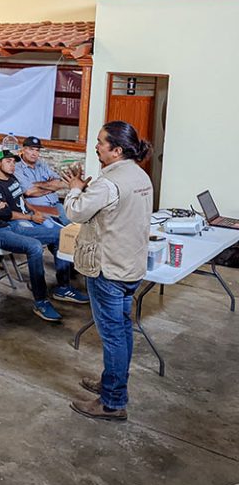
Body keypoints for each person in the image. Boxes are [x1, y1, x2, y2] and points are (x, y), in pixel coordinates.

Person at [66, 121, 153, 422]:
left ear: (116, 150)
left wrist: (75, 189)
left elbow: (76, 211)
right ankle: (111, 384)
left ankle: (113, 402)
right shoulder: (140, 175)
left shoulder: (108, 183)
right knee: (123, 331)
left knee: (113, 335)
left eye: (101, 142)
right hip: (131, 267)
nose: (96, 146)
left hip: (109, 271)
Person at [0, 155, 87, 323]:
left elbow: (3, 213)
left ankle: (63, 287)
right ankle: (40, 301)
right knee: (34, 247)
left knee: (59, 234)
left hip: (4, 227)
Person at [15, 136, 70, 225]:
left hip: (55, 204)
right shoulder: (17, 167)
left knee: (71, 225)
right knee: (55, 229)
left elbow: (58, 182)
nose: (34, 153)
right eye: (31, 149)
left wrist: (38, 185)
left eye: (37, 150)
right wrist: (51, 186)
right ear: (23, 150)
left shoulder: (41, 163)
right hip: (37, 208)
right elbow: (30, 192)